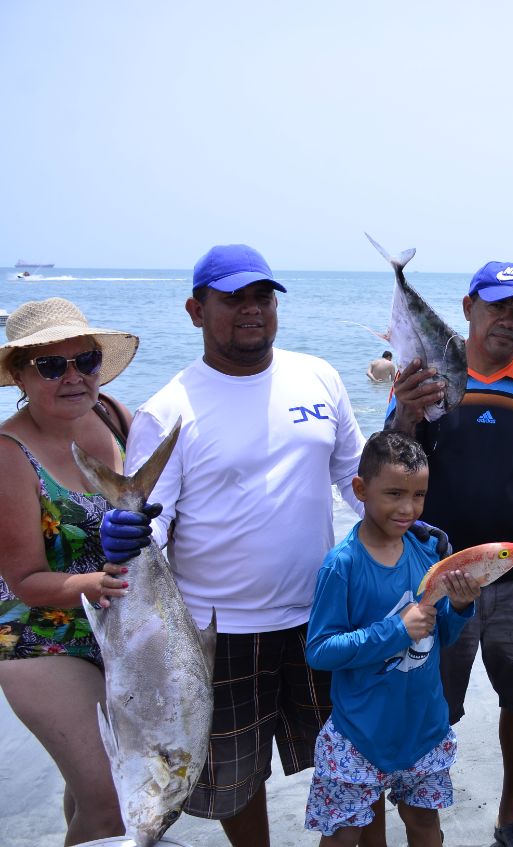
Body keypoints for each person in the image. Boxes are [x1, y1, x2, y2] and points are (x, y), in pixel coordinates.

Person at [121, 244, 368, 846]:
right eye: (233, 298)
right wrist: (129, 535)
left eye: (262, 296)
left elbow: (355, 478)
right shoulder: (168, 410)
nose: (252, 309)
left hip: (324, 616)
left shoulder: (320, 376)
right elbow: (152, 524)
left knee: (355, 761)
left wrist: (406, 525)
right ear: (195, 310)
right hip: (217, 630)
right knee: (233, 780)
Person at [387, 260, 513, 847]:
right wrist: (407, 409)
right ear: (468, 307)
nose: (509, 320)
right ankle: (425, 822)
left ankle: (512, 812)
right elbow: (394, 463)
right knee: (429, 703)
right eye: (497, 306)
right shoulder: (428, 371)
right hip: (436, 577)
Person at [0, 297, 139, 843]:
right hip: (39, 636)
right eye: (52, 367)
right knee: (110, 801)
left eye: (84, 360)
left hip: (115, 628)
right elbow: (24, 583)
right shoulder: (9, 454)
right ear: (18, 374)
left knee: (89, 792)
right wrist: (95, 583)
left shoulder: (114, 414)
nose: (74, 377)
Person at [305, 431, 482, 847]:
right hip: (358, 733)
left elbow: (442, 637)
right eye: (395, 493)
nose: (408, 508)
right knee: (343, 835)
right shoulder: (342, 565)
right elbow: (319, 650)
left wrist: (459, 607)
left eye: (419, 495)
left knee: (424, 825)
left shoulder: (428, 555)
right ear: (361, 489)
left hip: (424, 728)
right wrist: (395, 630)